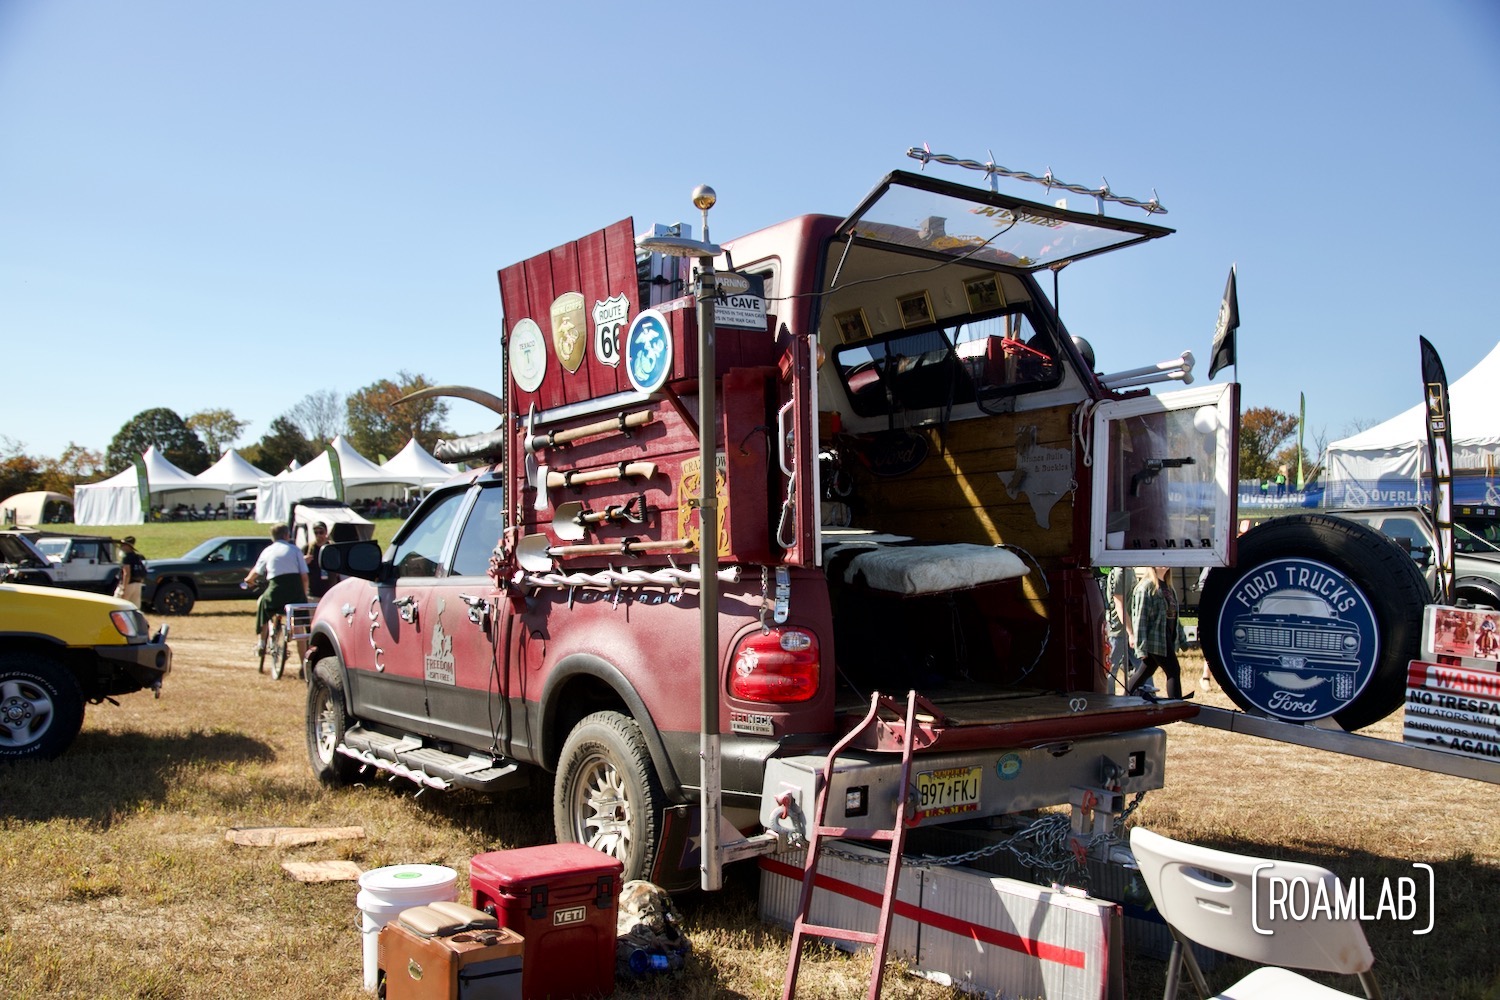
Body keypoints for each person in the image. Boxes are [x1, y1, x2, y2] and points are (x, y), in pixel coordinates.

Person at [243, 524, 309, 661]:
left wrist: (248, 581)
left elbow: (256, 572)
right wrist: (303, 594)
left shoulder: (268, 551)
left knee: (262, 602)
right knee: (298, 627)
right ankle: (303, 663)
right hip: (295, 593)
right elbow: (304, 577)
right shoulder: (295, 550)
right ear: (286, 535)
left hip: (276, 592)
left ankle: (261, 643)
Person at [1128, 565, 1186, 700]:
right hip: (1155, 639)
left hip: (1166, 636)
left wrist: (1182, 639)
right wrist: (1141, 647)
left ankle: (1127, 695)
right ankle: (1175, 704)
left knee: (1146, 670)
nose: (1165, 564)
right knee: (1173, 671)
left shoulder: (1168, 587)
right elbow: (1140, 618)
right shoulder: (1146, 587)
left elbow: (1174, 616)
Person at [1104, 566, 1139, 691]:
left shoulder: (1129, 570)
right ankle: (1109, 700)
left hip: (1129, 629)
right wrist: (1131, 632)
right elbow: (1119, 605)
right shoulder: (1120, 573)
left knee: (1141, 666)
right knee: (1111, 669)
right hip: (1118, 631)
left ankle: (1143, 696)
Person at [302, 522, 337, 599]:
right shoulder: (308, 548)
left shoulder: (333, 548)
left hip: (330, 591)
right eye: (316, 533)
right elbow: (299, 566)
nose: (318, 535)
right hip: (313, 592)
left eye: (321, 532)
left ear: (326, 532)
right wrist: (304, 561)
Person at [115, 536, 148, 609]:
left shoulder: (127, 557)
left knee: (118, 605)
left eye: (123, 545)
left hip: (128, 584)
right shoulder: (137, 557)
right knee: (134, 607)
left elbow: (127, 573)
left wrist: (124, 588)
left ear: (127, 546)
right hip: (137, 584)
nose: (121, 547)